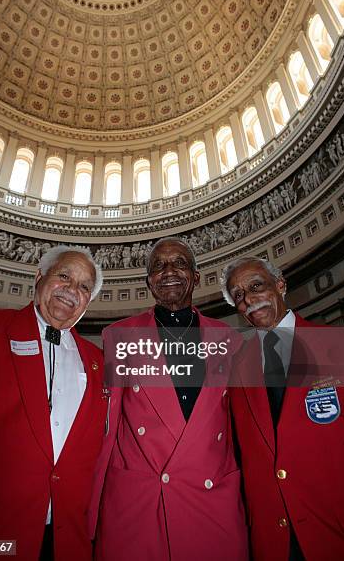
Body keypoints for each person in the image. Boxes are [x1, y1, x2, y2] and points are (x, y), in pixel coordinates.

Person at [89, 237, 248, 561]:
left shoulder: (229, 340)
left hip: (211, 499)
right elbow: (107, 430)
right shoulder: (119, 336)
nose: (169, 271)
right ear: (149, 282)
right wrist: (90, 512)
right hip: (138, 504)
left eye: (179, 263)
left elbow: (239, 430)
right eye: (158, 266)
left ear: (196, 276)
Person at [0, 245, 108, 561]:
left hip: (66, 543)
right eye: (64, 276)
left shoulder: (98, 362)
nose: (72, 290)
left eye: (84, 286)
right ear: (39, 277)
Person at [221, 256, 344, 561]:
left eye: (256, 286)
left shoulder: (343, 345)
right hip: (272, 541)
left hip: (340, 534)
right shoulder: (234, 369)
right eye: (239, 296)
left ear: (280, 285)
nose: (249, 300)